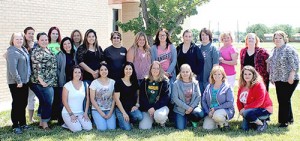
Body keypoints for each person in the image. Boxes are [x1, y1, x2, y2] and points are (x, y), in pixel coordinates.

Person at [268, 30, 299, 128]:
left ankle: (283, 122)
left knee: (284, 100)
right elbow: (272, 64)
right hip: (278, 79)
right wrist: (272, 77)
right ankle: (289, 119)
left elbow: (295, 63)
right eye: (276, 38)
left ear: (284, 39)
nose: (277, 40)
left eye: (280, 38)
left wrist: (292, 75)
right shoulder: (275, 50)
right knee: (284, 99)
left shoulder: (288, 49)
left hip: (289, 78)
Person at [31, 32, 57, 130]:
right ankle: (45, 124)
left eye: (46, 39)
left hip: (49, 81)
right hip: (41, 82)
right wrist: (41, 81)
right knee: (48, 102)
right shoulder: (37, 51)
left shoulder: (48, 49)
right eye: (42, 40)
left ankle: (41, 122)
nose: (44, 41)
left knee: (44, 101)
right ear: (38, 41)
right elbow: (37, 67)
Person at [7, 33, 31, 134]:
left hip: (25, 82)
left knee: (23, 103)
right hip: (16, 83)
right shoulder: (12, 51)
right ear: (12, 40)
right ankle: (15, 125)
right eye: (17, 39)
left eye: (21, 39)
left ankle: (23, 123)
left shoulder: (23, 49)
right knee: (17, 104)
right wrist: (18, 81)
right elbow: (13, 69)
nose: (19, 41)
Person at [237, 66, 273, 132]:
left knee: (247, 113)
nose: (247, 76)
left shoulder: (259, 85)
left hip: (264, 109)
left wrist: (245, 109)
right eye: (245, 74)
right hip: (249, 111)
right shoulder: (242, 86)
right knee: (244, 128)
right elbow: (239, 101)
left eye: (249, 74)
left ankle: (261, 124)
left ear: (254, 75)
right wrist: (240, 111)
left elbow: (259, 102)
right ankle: (254, 122)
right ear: (242, 75)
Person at [139, 61, 170, 129]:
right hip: (148, 109)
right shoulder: (145, 81)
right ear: (150, 69)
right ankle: (153, 120)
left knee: (159, 116)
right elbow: (142, 97)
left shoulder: (164, 81)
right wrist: (149, 108)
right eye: (153, 68)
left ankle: (162, 122)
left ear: (160, 70)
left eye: (157, 68)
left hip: (160, 108)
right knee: (144, 127)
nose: (155, 70)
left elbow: (165, 98)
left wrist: (154, 108)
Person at [202, 66, 235, 130]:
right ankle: (218, 123)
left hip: (224, 110)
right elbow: (203, 101)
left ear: (223, 75)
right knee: (206, 128)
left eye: (219, 74)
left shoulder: (227, 87)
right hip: (211, 111)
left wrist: (215, 108)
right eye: (215, 74)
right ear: (212, 75)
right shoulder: (208, 86)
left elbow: (230, 103)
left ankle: (225, 124)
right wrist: (208, 111)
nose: (217, 76)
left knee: (217, 115)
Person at [172, 64, 204, 130]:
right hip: (180, 109)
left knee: (200, 114)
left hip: (192, 108)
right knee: (180, 128)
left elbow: (198, 96)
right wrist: (186, 107)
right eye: (183, 72)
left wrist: (191, 107)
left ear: (190, 72)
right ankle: (185, 119)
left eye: (187, 72)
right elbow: (175, 98)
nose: (185, 73)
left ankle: (192, 120)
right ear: (180, 73)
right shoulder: (176, 84)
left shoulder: (195, 83)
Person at [61, 65, 92, 132]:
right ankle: (66, 123)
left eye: (79, 72)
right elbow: (64, 101)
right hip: (68, 113)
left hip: (80, 113)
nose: (77, 74)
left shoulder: (85, 84)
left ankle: (76, 122)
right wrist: (71, 114)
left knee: (89, 128)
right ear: (72, 73)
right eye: (75, 72)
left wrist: (86, 113)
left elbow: (87, 99)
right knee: (77, 129)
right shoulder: (67, 85)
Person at [113, 62, 143, 130]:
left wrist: (137, 105)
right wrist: (124, 113)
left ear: (132, 70)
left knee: (139, 117)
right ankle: (120, 120)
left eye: (130, 69)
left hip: (131, 108)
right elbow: (117, 99)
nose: (128, 71)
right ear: (123, 70)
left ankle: (128, 120)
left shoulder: (135, 81)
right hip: (121, 109)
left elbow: (138, 94)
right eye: (126, 69)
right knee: (127, 128)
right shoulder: (118, 82)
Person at [56, 37, 77, 126]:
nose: (67, 46)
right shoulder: (59, 55)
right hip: (63, 82)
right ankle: (61, 121)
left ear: (71, 44)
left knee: (71, 101)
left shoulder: (75, 54)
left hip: (73, 82)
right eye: (64, 44)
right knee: (62, 102)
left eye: (68, 43)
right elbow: (56, 69)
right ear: (62, 46)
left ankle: (72, 117)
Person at [90, 63, 116, 131]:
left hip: (109, 109)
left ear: (108, 70)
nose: (104, 71)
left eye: (105, 69)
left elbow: (114, 98)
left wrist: (110, 112)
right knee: (102, 129)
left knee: (111, 128)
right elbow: (92, 99)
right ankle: (96, 121)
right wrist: (101, 113)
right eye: (101, 70)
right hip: (97, 110)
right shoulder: (94, 83)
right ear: (99, 71)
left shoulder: (113, 82)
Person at [23, 27, 38, 123]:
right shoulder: (21, 44)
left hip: (34, 76)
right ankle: (21, 118)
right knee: (23, 98)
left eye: (33, 33)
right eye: (29, 33)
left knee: (32, 98)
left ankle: (31, 118)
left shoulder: (36, 45)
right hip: (24, 76)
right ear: (25, 34)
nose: (31, 35)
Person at [199, 28, 219, 94]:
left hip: (209, 79)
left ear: (209, 36)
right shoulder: (197, 48)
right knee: (201, 100)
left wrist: (211, 77)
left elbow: (215, 65)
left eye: (206, 35)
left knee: (209, 99)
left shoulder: (213, 48)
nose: (204, 37)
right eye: (202, 35)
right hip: (198, 79)